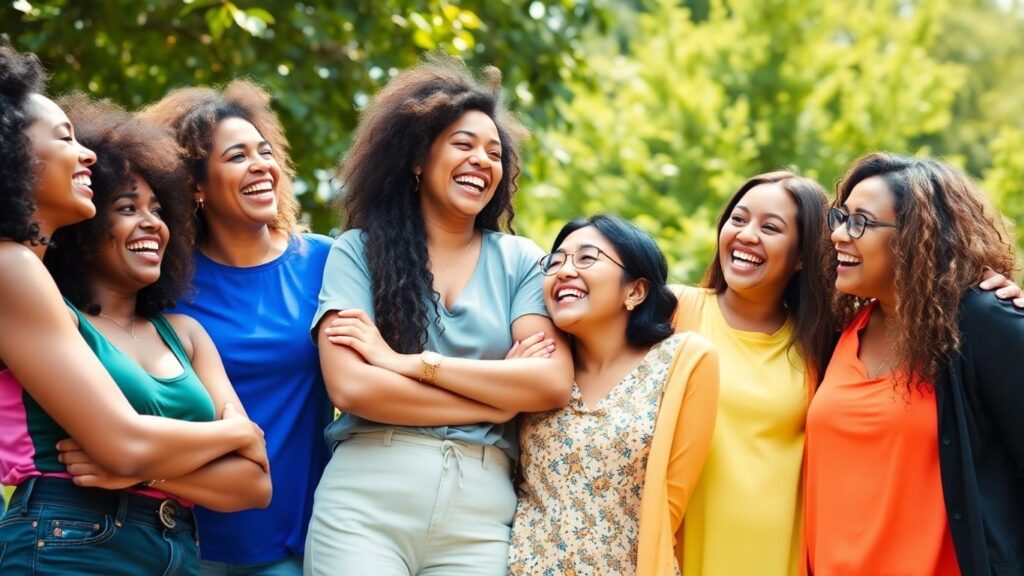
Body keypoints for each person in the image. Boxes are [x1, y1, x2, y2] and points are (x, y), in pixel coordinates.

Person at [0, 39, 266, 576]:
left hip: (173, 545)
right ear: (16, 154)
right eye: (64, 137)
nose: (86, 155)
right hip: (72, 539)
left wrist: (148, 470)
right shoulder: (13, 267)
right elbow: (123, 443)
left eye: (157, 208)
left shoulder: (180, 331)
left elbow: (253, 484)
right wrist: (238, 433)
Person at [309, 58, 574, 576]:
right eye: (463, 144)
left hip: (480, 517)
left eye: (494, 153)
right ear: (416, 159)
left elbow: (549, 383)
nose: (482, 160)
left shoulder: (521, 260)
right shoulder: (357, 252)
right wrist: (495, 402)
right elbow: (353, 390)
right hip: (366, 501)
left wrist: (404, 363)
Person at [140, 79, 334, 575]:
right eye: (237, 156)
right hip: (181, 539)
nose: (260, 166)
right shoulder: (162, 282)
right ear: (196, 187)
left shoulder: (325, 264)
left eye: (264, 152)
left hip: (297, 541)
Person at [806, 152, 1024, 575]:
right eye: (840, 217)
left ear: (914, 237)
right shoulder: (840, 329)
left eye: (861, 222)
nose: (838, 236)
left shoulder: (982, 323)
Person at [507, 214, 719, 575]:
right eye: (555, 261)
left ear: (635, 291)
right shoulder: (538, 363)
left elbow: (669, 507)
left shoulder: (684, 361)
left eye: (587, 258)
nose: (564, 271)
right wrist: (509, 383)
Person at [671, 172, 835, 576]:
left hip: (776, 559)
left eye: (771, 228)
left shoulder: (823, 343)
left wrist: (990, 286)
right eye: (738, 219)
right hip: (677, 554)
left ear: (801, 257)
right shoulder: (674, 310)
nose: (746, 235)